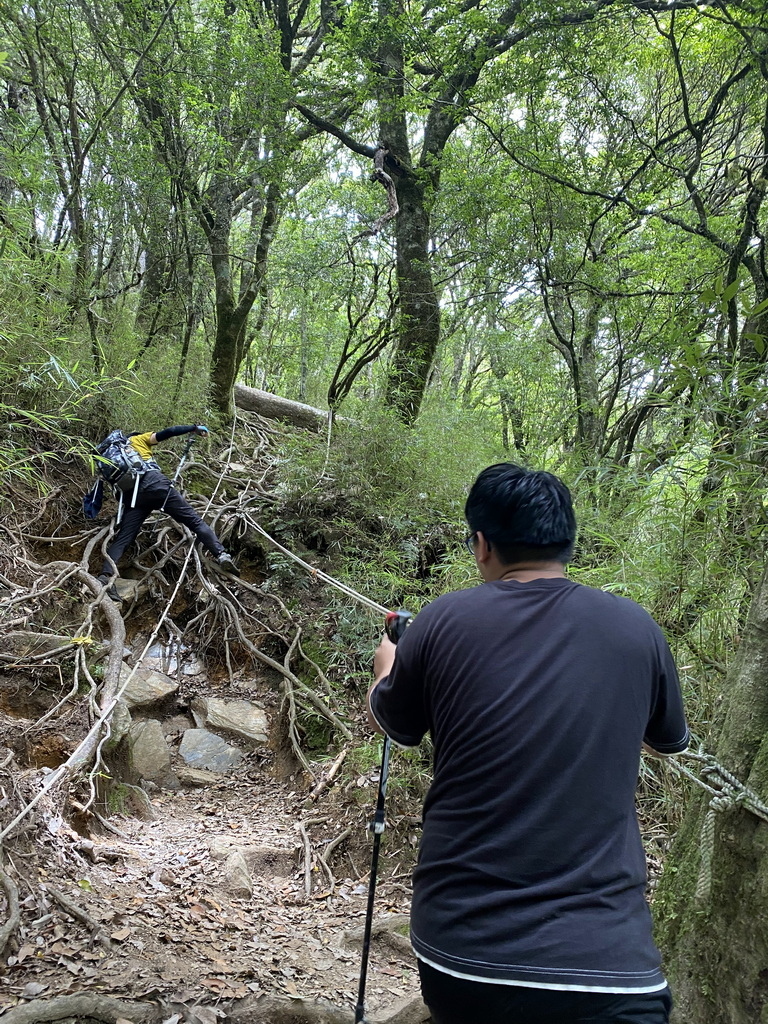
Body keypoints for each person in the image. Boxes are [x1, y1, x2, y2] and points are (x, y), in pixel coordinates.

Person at [368, 463, 689, 1024]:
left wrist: (385, 666)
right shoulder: (636, 628)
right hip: (610, 962)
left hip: (465, 951)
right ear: (567, 540)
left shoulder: (442, 621)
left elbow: (397, 726)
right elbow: (666, 744)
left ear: (482, 544)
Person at [96, 424, 239, 598]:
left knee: (124, 538)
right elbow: (168, 432)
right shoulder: (138, 439)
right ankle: (221, 555)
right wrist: (193, 428)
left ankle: (105, 576)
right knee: (194, 521)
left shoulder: (109, 456)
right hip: (155, 484)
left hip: (133, 498)